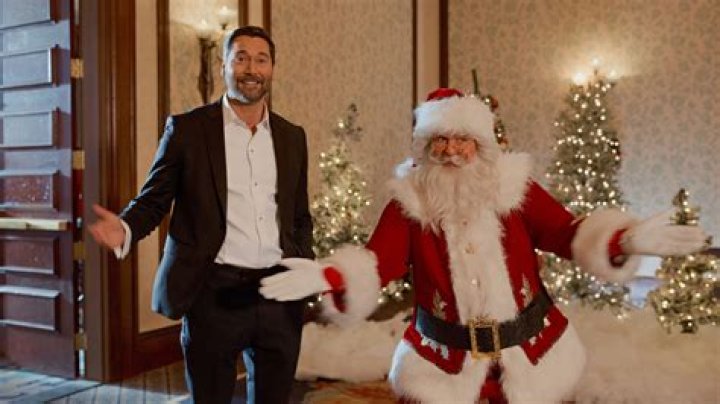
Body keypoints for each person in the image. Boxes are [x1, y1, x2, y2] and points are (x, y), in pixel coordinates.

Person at [259, 88, 708, 403]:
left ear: (481, 145)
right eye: (441, 140)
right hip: (440, 363)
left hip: (530, 353)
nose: (452, 151)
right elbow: (380, 261)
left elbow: (566, 232)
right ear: (426, 147)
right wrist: (331, 274)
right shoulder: (410, 201)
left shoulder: (514, 189)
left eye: (463, 140)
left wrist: (624, 238)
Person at [89, 26, 313, 404]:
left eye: (261, 60)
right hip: (213, 295)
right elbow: (154, 200)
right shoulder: (188, 130)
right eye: (241, 58)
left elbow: (299, 215)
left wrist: (305, 266)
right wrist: (125, 227)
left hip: (279, 295)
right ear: (223, 65)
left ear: (272, 68)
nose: (251, 69)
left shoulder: (292, 136)